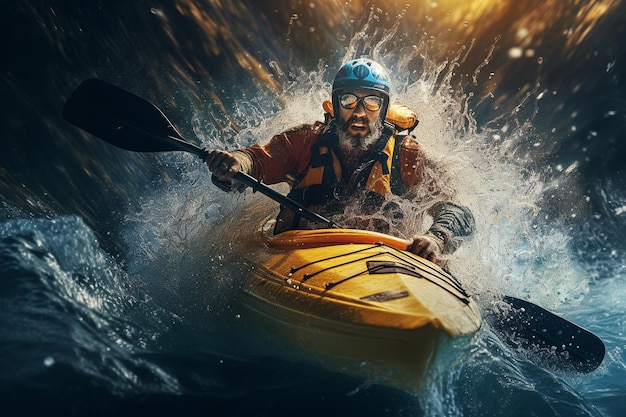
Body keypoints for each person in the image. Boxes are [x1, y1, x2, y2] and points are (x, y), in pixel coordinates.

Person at [205, 58, 474, 265]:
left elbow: (457, 210)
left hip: (384, 261)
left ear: (383, 109)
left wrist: (437, 239)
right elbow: (255, 161)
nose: (358, 113)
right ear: (335, 104)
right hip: (301, 252)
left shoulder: (408, 155)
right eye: (348, 100)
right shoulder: (305, 140)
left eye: (370, 103)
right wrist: (233, 165)